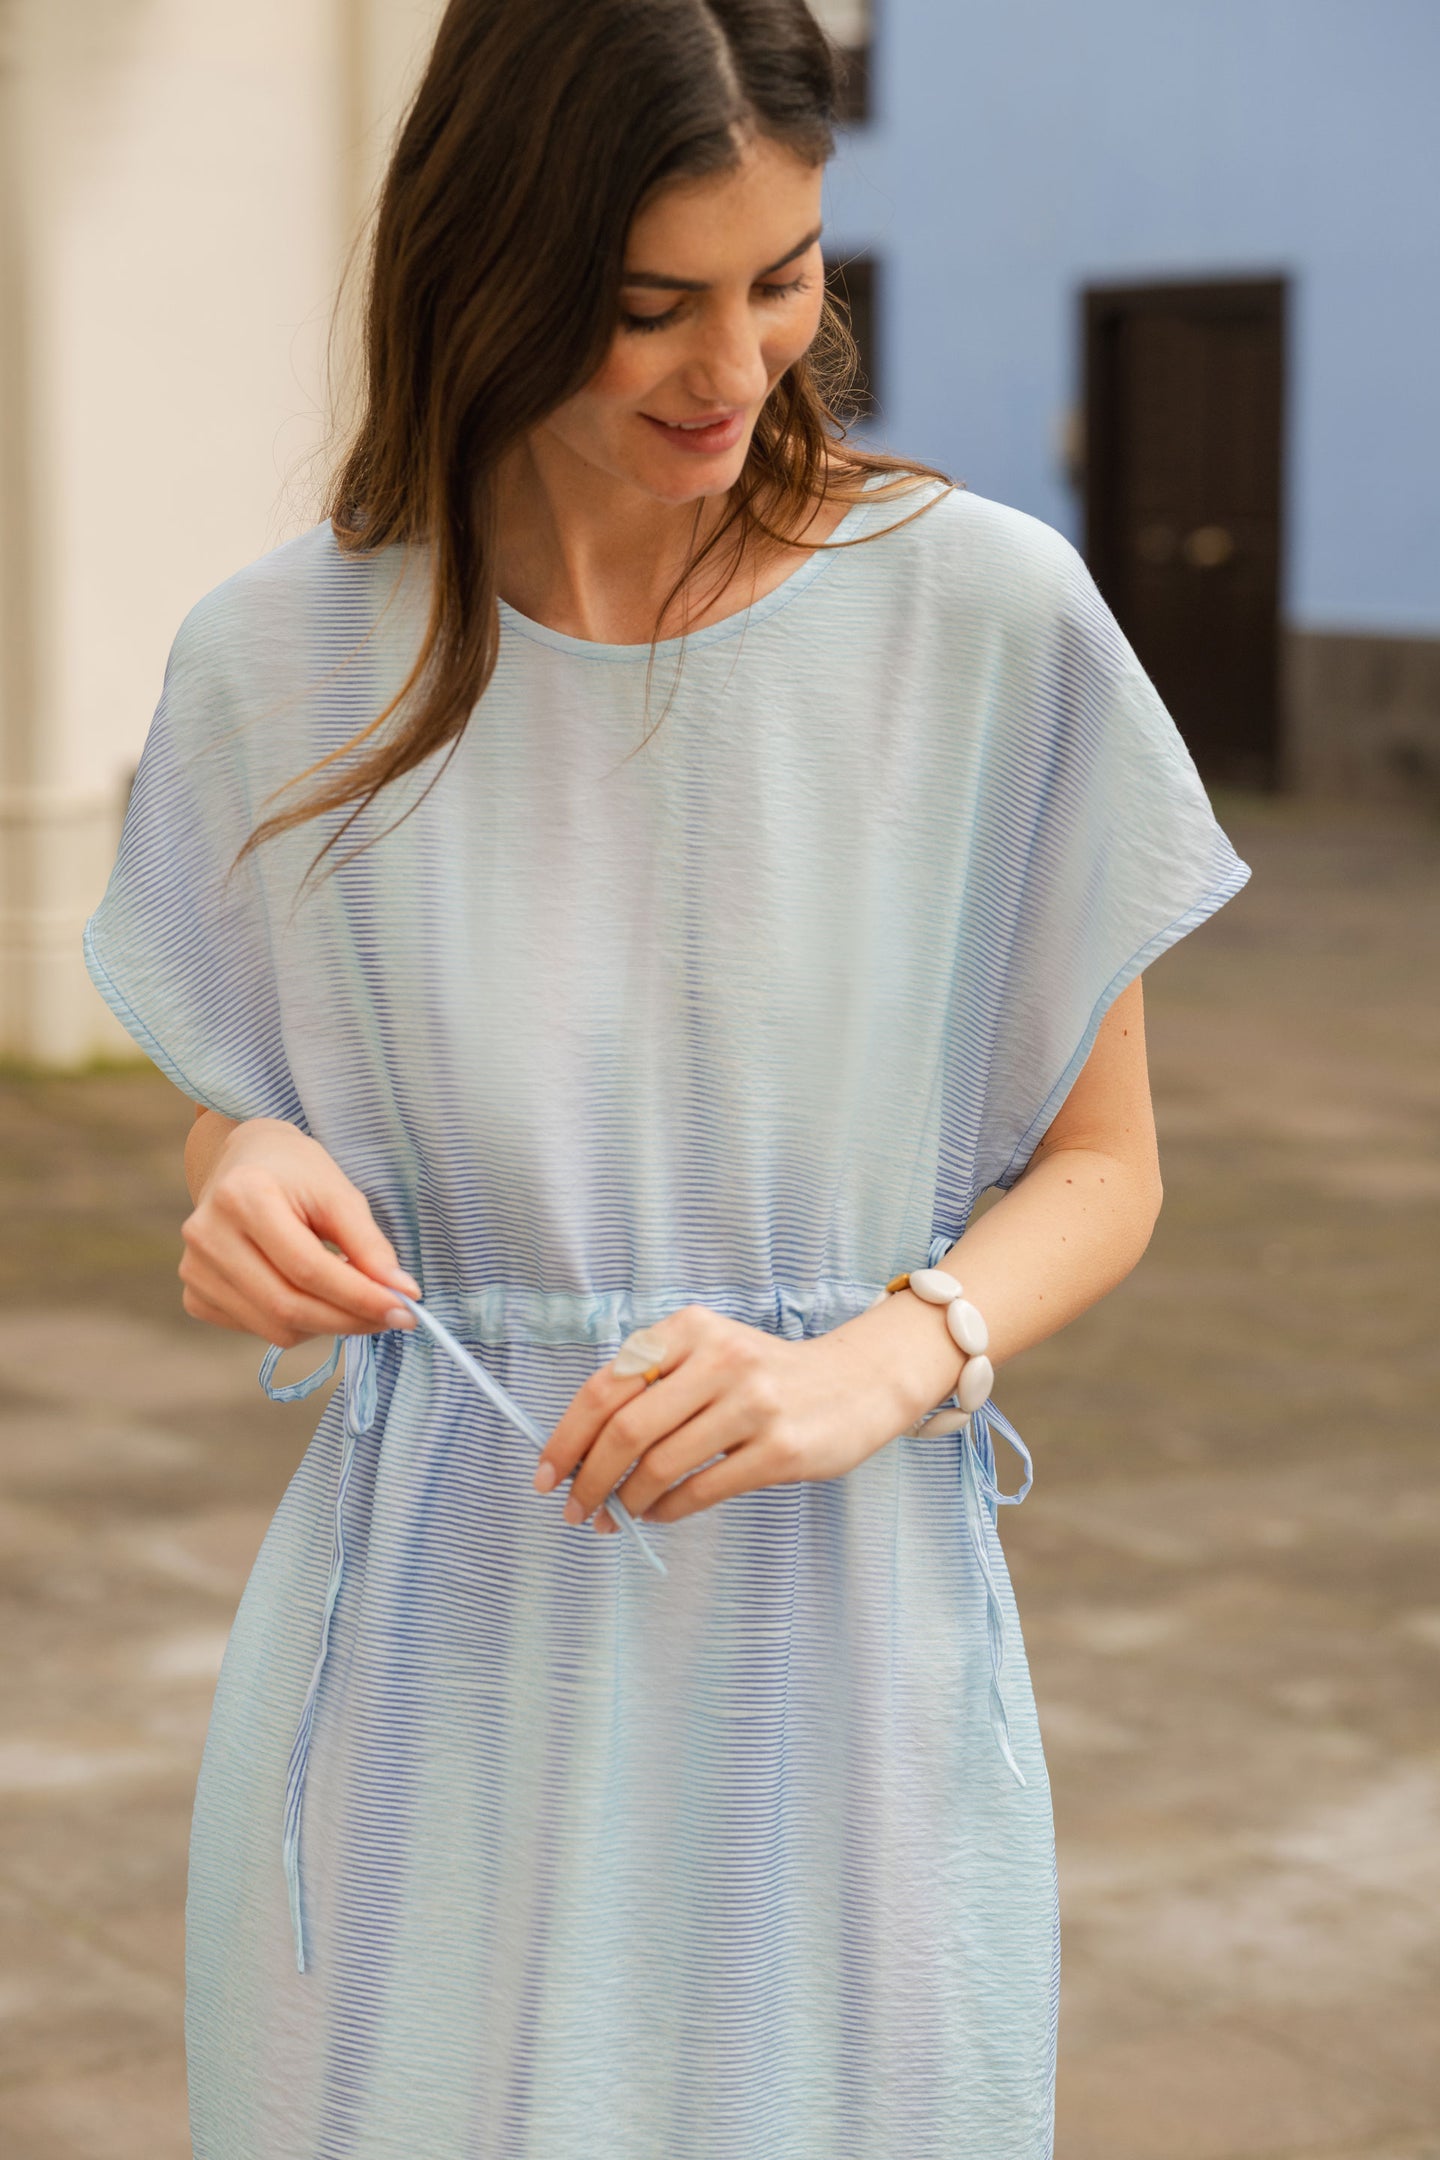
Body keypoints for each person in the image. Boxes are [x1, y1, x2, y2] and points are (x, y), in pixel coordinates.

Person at [83, 2, 1251, 2154]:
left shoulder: (984, 624)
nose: (737, 373)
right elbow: (252, 1081)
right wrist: (249, 1165)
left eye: (786, 279)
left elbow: (1107, 1165)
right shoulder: (280, 665)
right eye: (647, 308)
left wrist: (884, 1363)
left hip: (831, 1686)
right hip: (428, 1673)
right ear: (485, 272)